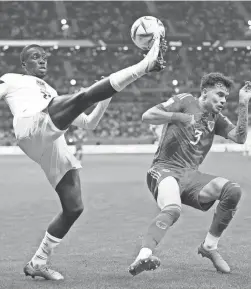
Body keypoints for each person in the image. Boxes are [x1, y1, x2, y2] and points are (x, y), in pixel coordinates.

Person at [0, 36, 166, 280]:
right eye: (35, 57)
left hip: (51, 143)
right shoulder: (11, 79)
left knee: (74, 207)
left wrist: (104, 97)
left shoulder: (51, 92)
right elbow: (81, 100)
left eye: (44, 56)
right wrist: (90, 95)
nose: (42, 60)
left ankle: (38, 261)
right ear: (24, 65)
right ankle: (146, 64)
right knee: (82, 97)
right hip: (30, 124)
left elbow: (89, 124)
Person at [129, 72, 251, 276]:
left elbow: (239, 138)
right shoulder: (185, 100)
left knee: (232, 191)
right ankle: (143, 255)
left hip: (191, 177)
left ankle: (209, 247)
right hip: (164, 169)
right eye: (219, 94)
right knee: (173, 209)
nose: (222, 101)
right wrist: (181, 117)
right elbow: (147, 115)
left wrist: (243, 104)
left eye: (225, 97)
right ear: (204, 92)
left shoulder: (216, 118)